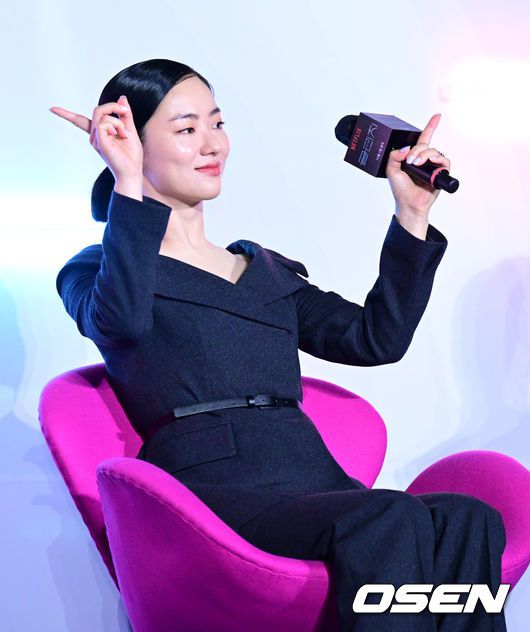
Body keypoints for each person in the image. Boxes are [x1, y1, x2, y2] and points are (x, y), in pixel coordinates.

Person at [51, 59, 507, 631]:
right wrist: (126, 183)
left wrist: (410, 213)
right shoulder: (96, 269)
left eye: (217, 123)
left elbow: (376, 339)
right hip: (213, 492)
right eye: (187, 129)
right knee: (388, 518)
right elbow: (120, 322)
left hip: (312, 476)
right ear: (132, 144)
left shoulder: (263, 269)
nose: (212, 144)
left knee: (469, 519)